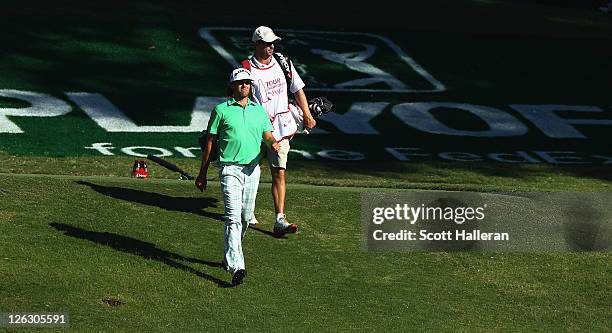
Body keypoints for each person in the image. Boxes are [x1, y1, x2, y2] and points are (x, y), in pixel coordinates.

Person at [195, 68, 279, 286]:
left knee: (244, 218)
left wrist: (274, 143)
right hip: (229, 168)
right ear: (231, 86)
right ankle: (237, 266)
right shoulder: (221, 110)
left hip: (253, 169)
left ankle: (228, 256)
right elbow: (210, 143)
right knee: (232, 218)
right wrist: (202, 173)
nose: (245, 86)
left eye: (248, 83)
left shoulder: (259, 111)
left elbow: (267, 135)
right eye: (240, 83)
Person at [243, 26, 317, 235]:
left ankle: (279, 219)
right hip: (255, 130)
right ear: (256, 44)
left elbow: (298, 89)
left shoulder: (283, 62)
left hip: (281, 128)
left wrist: (308, 115)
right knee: (249, 172)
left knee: (279, 172)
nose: (271, 46)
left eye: (272, 42)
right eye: (266, 43)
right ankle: (247, 211)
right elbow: (240, 100)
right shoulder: (247, 69)